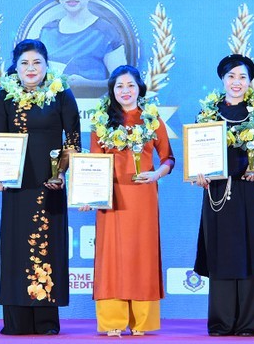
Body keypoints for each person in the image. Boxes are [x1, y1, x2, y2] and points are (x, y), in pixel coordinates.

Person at [0, 39, 80, 335]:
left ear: (46, 65)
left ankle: (45, 322)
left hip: (50, 185)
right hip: (17, 187)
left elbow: (73, 141)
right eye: (25, 63)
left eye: (37, 63)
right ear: (15, 66)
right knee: (16, 249)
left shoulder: (61, 94)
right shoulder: (3, 96)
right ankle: (16, 321)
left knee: (48, 249)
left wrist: (62, 172)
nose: (31, 69)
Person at [86, 65, 175, 337]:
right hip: (111, 197)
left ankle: (142, 322)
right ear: (112, 91)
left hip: (143, 197)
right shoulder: (101, 121)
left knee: (142, 255)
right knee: (112, 257)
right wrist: (90, 195)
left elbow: (169, 159)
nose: (125, 91)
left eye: (130, 85)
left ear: (140, 88)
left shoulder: (152, 118)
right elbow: (93, 162)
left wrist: (156, 174)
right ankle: (113, 320)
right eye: (119, 86)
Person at [193, 55, 254, 337]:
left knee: (250, 251)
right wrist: (199, 173)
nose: (236, 82)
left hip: (248, 189)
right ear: (222, 80)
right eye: (231, 77)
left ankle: (248, 324)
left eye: (242, 77)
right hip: (217, 192)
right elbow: (197, 151)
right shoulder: (208, 113)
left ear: (249, 81)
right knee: (222, 252)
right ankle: (221, 322)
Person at [39, 0, 127, 96]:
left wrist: (86, 84)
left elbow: (124, 82)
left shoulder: (106, 32)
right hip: (54, 113)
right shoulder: (47, 31)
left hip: (94, 113)